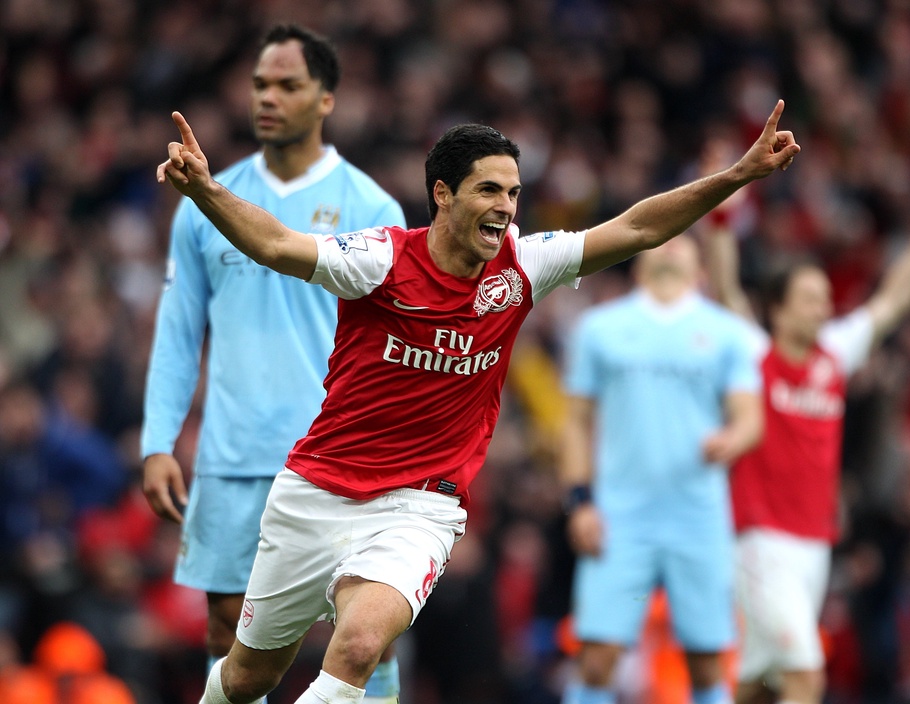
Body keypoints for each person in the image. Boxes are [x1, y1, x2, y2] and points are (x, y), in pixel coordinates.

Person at [155, 96, 800, 704]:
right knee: (245, 678)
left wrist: (738, 175)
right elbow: (273, 243)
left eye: (514, 193)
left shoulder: (524, 266)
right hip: (316, 492)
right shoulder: (380, 261)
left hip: (419, 507)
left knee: (355, 645)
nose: (506, 207)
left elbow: (635, 227)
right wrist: (207, 192)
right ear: (443, 194)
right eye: (490, 190)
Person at [139, 24, 406, 704]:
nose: (269, 97)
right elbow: (178, 329)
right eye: (261, 84)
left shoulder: (371, 205)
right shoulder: (206, 199)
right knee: (229, 635)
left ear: (326, 100)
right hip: (233, 456)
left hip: (341, 459)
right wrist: (158, 442)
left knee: (362, 640)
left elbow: (400, 346)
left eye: (289, 85)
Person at [701, 158, 910, 704]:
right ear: (776, 310)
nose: (823, 306)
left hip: (814, 544)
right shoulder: (756, 355)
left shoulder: (834, 357)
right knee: (805, 676)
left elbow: (894, 300)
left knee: (759, 685)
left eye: (825, 297)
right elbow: (728, 285)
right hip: (758, 537)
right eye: (809, 299)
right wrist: (721, 218)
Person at [559, 234, 763, 704]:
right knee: (596, 659)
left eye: (686, 239)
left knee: (709, 662)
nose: (672, 246)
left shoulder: (726, 332)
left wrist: (731, 438)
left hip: (698, 516)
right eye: (664, 239)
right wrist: (579, 502)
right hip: (619, 516)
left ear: (701, 272)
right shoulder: (599, 328)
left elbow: (750, 418)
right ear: (636, 267)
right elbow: (575, 423)